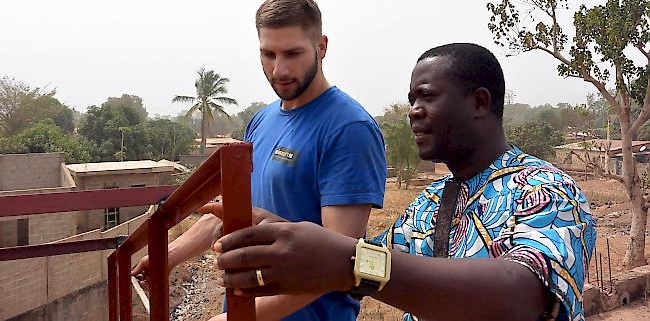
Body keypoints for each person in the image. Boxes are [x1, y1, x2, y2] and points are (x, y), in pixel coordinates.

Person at [209, 43, 596, 321]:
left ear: (479, 102)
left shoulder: (547, 189)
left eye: (425, 97)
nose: (413, 112)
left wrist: (349, 263)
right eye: (411, 99)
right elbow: (374, 263)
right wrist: (279, 229)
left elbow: (522, 292)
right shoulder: (429, 203)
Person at [132, 0, 387, 321]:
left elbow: (337, 261)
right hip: (245, 306)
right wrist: (168, 256)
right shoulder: (262, 121)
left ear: (321, 47)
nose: (278, 69)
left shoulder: (348, 128)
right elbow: (232, 213)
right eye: (268, 54)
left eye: (292, 53)